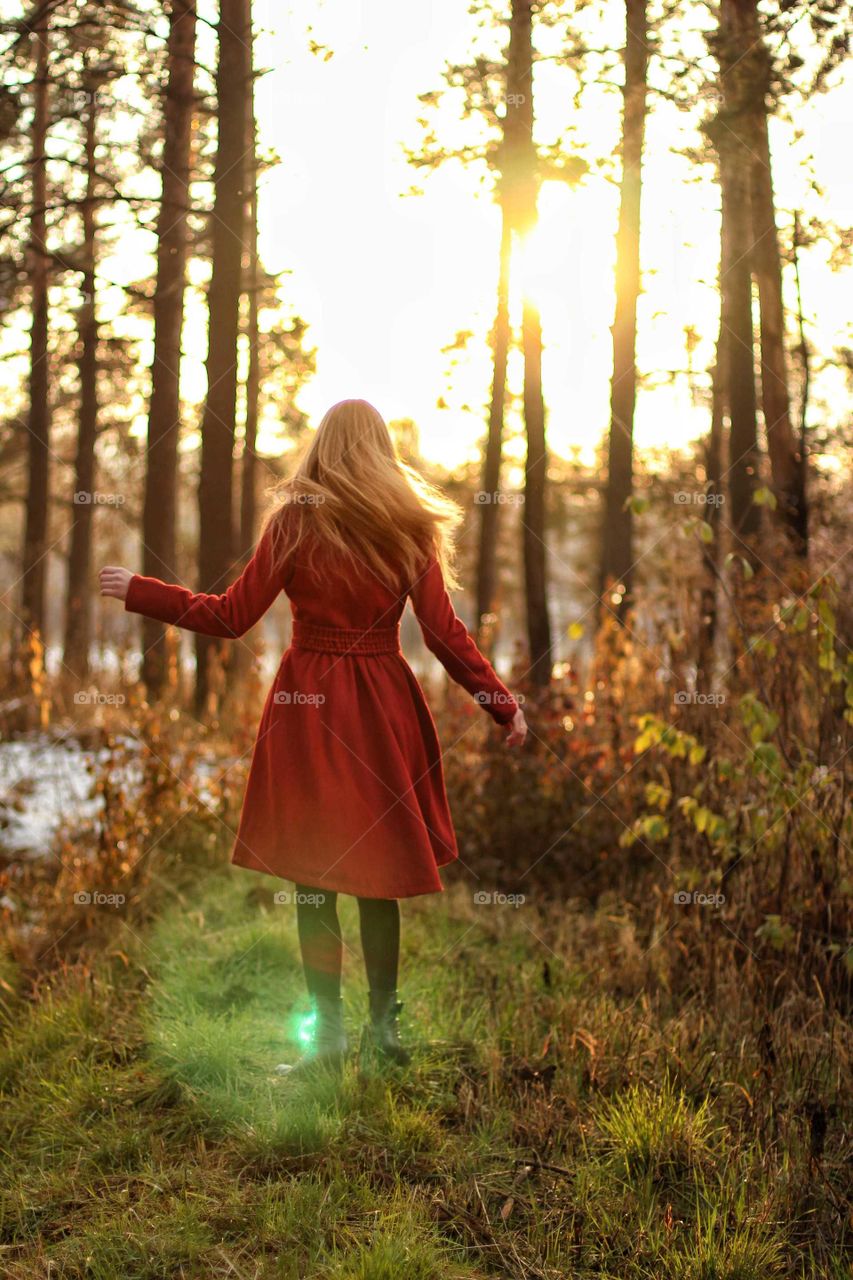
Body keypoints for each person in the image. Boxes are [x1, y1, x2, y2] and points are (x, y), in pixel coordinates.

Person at [100, 398, 527, 1075]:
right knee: (377, 877)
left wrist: (142, 591)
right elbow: (445, 636)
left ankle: (328, 1033)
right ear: (382, 450)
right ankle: (381, 1033)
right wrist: (501, 704)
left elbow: (230, 617)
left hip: (307, 708)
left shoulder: (295, 523)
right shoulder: (406, 526)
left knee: (312, 877)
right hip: (382, 705)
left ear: (321, 446)